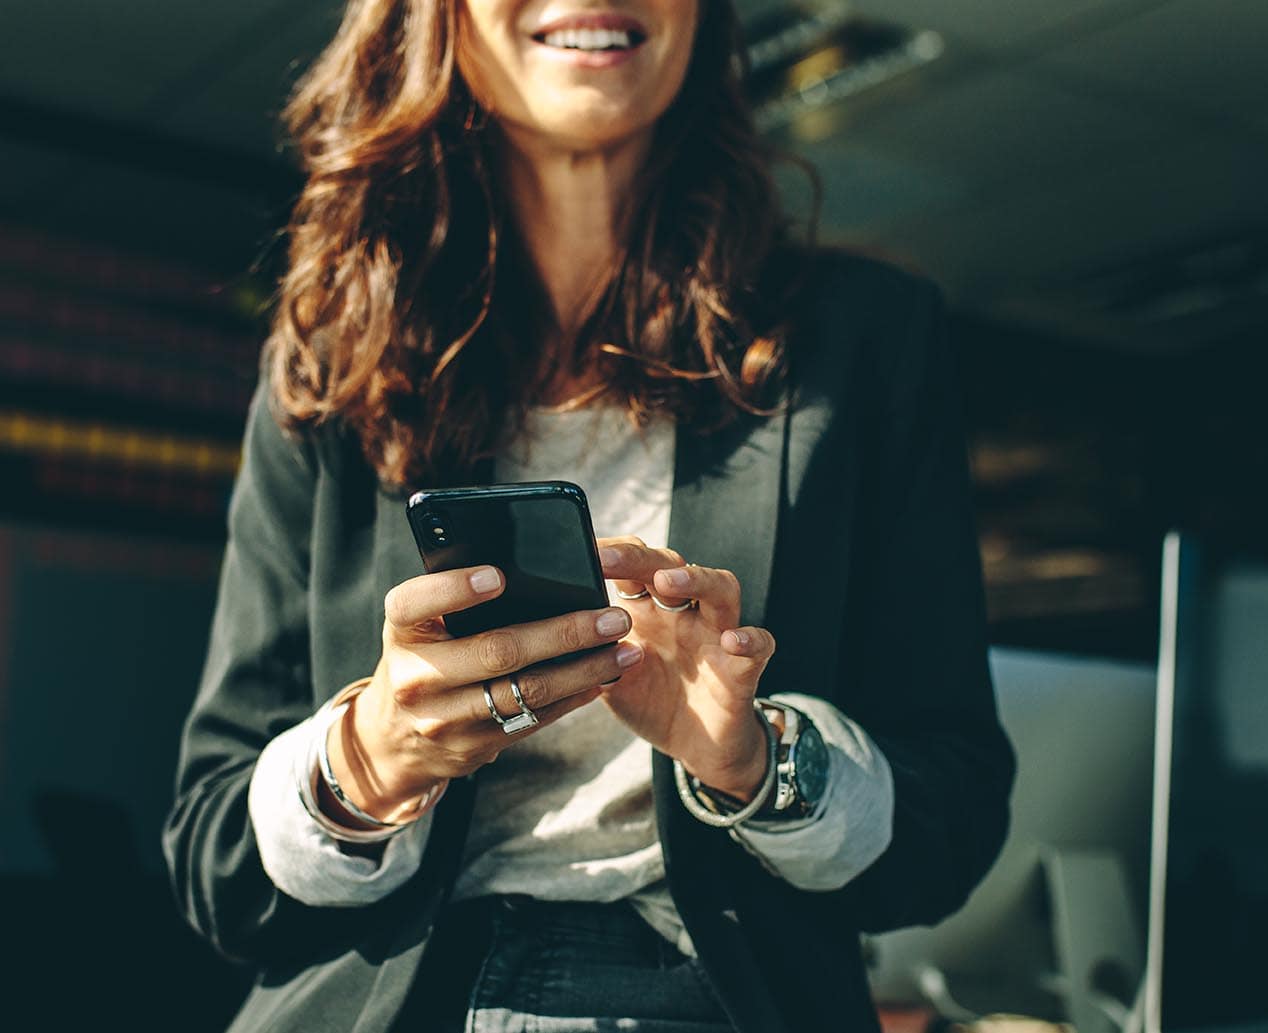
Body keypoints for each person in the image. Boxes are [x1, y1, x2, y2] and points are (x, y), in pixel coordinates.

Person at [162, 1, 1014, 1031]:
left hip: (717, 990)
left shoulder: (866, 338)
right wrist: (372, 757)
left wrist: (755, 758)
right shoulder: (330, 355)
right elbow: (214, 861)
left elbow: (952, 820)